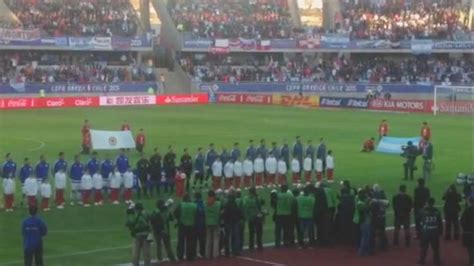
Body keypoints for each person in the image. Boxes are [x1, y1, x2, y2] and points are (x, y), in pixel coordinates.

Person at [150, 199, 176, 263]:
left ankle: (160, 259)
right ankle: (172, 258)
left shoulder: (154, 211)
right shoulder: (166, 211)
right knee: (168, 245)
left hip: (157, 231)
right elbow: (172, 219)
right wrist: (169, 211)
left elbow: (151, 221)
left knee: (158, 246)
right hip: (165, 230)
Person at [418, 198, 442, 266]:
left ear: (427, 203)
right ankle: (437, 261)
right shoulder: (437, 211)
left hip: (425, 232)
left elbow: (418, 219)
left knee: (424, 247)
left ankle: (422, 261)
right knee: (436, 248)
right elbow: (440, 223)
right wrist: (440, 232)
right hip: (434, 232)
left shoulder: (422, 211)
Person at [175, 194, 197, 261]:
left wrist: (179, 218)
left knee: (181, 241)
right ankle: (190, 256)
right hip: (191, 225)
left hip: (182, 225)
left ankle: (180, 256)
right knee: (190, 241)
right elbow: (196, 214)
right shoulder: (194, 205)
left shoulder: (180, 205)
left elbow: (175, 213)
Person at [223, 192, 243, 257]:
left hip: (228, 222)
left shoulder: (227, 204)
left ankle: (227, 252)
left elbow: (224, 213)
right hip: (234, 221)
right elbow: (239, 212)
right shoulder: (235, 204)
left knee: (228, 237)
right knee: (235, 237)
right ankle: (235, 251)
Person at [205, 190, 221, 259]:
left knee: (208, 239)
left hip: (208, 222)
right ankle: (215, 254)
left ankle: (207, 254)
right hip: (215, 222)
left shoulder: (205, 203)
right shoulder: (217, 203)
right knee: (216, 239)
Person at [355, 190, 371, 256]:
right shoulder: (360, 203)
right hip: (364, 222)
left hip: (366, 222)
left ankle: (365, 251)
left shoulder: (361, 202)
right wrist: (367, 202)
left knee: (366, 237)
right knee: (364, 238)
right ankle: (361, 252)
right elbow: (365, 209)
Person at [461, 197, 474, 266]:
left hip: (469, 233)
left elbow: (462, 221)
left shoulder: (467, 210)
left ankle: (471, 262)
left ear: (470, 201)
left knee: (470, 249)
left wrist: (465, 229)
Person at [194, 192, 206, 258]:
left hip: (196, 224)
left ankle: (195, 253)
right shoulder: (203, 203)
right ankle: (202, 252)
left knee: (195, 240)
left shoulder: (195, 203)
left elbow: (200, 211)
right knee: (202, 240)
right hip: (202, 223)